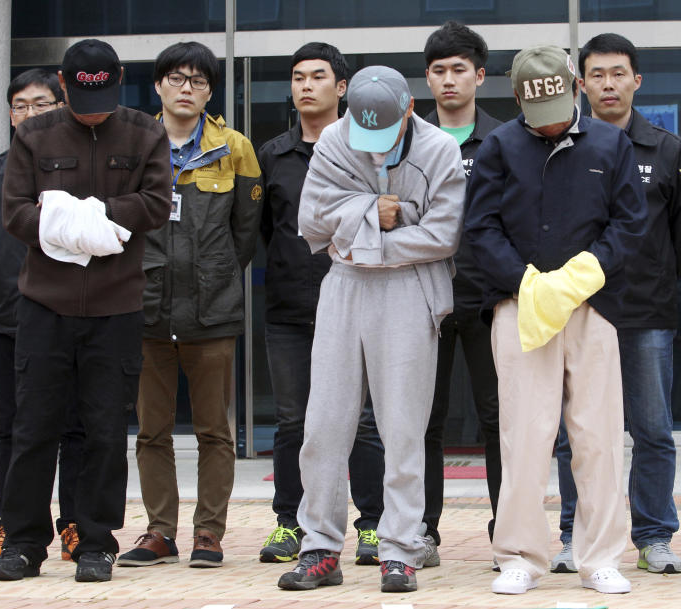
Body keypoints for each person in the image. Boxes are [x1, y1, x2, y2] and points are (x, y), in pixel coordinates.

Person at [0, 38, 172, 583]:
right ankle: (22, 541)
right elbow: (15, 213)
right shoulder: (33, 134)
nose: (96, 108)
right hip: (44, 303)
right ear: (64, 86)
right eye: (84, 96)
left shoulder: (145, 131)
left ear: (118, 78)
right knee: (34, 426)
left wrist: (88, 219)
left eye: (106, 94)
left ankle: (96, 540)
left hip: (116, 304)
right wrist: (73, 233)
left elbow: (157, 204)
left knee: (104, 429)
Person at [276, 65, 465, 594]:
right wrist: (371, 213)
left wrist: (361, 236)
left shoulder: (440, 149)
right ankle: (319, 548)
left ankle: (401, 549)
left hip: (411, 286)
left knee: (404, 428)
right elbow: (311, 221)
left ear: (408, 109)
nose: (373, 146)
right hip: (344, 284)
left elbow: (443, 235)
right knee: (323, 425)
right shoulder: (336, 138)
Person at [466, 44, 647, 596]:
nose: (551, 126)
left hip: (593, 306)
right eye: (537, 117)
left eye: (561, 109)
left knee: (597, 436)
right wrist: (525, 282)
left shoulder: (611, 142)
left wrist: (585, 273)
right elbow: (480, 228)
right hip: (520, 306)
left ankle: (600, 558)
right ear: (519, 99)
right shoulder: (499, 145)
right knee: (524, 435)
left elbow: (631, 223)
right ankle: (519, 554)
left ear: (574, 87)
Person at [551, 32, 681, 575]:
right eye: (597, 75)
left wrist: (654, 277)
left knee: (652, 429)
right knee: (575, 433)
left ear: (637, 80)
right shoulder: (561, 143)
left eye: (618, 73)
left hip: (645, 313)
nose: (607, 84)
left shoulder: (668, 149)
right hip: (580, 313)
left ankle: (654, 536)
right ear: (580, 84)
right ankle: (574, 534)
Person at [115, 41, 261, 570]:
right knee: (151, 431)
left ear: (209, 91)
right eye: (176, 79)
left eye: (197, 81)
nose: (186, 89)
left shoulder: (235, 148)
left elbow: (246, 235)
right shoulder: (133, 146)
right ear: (157, 86)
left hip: (212, 310)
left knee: (214, 431)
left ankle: (208, 534)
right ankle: (159, 532)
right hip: (145, 308)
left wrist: (215, 275)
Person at [255, 41, 386, 567]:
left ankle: (372, 525)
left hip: (359, 303)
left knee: (365, 423)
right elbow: (268, 231)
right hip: (290, 308)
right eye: (297, 77)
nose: (305, 85)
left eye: (317, 76)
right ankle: (290, 523)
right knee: (293, 422)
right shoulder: (273, 155)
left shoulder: (368, 148)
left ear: (342, 87)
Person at [0, 68, 85, 566]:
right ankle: (9, 524)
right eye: (21, 105)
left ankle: (75, 523)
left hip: (75, 315)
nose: (30, 113)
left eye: (41, 104)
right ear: (10, 114)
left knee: (74, 426)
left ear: (61, 106)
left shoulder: (82, 167)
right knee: (13, 429)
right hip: (11, 318)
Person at [421, 20, 502, 562]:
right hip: (421, 298)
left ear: (478, 74)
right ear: (427, 78)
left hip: (489, 299)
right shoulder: (408, 138)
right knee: (423, 419)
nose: (449, 80)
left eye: (458, 69)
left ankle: (508, 532)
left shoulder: (504, 139)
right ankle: (422, 530)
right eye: (438, 70)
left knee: (499, 418)